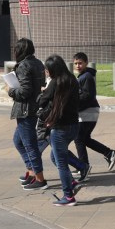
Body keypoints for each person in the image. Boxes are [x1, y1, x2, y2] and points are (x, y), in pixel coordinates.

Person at [36, 55, 83, 206]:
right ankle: (72, 183)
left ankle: (68, 196)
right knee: (54, 156)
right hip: (74, 126)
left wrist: (43, 91)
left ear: (52, 70)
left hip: (60, 128)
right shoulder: (72, 80)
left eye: (47, 69)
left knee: (61, 163)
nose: (46, 71)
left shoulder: (55, 82)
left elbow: (41, 101)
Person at [8, 38, 48, 190]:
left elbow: (25, 91)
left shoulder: (23, 65)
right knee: (18, 141)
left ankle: (40, 179)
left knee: (29, 144)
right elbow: (40, 85)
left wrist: (11, 90)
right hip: (35, 107)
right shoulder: (38, 63)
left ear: (19, 50)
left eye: (16, 49)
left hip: (26, 110)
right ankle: (31, 172)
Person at [71, 52, 115, 180]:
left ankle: (83, 167)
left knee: (79, 139)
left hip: (88, 111)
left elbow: (87, 96)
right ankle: (108, 153)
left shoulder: (86, 77)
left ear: (86, 63)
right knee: (84, 138)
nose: (78, 65)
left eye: (80, 63)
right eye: (75, 63)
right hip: (88, 111)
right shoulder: (84, 76)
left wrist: (73, 100)